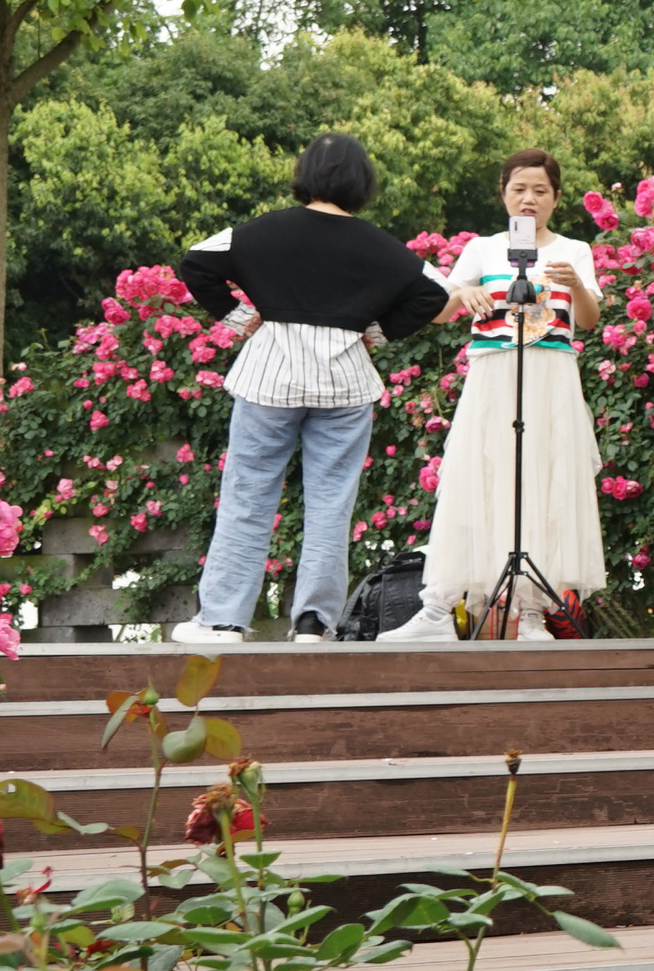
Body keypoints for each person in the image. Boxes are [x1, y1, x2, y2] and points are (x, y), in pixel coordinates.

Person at [171, 135, 467, 645]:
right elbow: (436, 292)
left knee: (248, 496)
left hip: (269, 375)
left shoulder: (263, 231)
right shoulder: (379, 244)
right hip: (345, 382)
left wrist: (240, 316)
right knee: (332, 504)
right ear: (362, 182)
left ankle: (222, 621)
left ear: (304, 173)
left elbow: (195, 262)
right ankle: (314, 623)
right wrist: (375, 332)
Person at [383, 150, 608, 641]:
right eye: (519, 190)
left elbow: (589, 320)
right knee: (476, 477)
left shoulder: (575, 250)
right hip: (493, 375)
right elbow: (439, 309)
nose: (529, 200)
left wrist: (577, 287)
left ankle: (529, 613)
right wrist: (465, 296)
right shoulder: (483, 249)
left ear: (556, 198)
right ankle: (439, 609)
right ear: (503, 194)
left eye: (540, 191)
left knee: (545, 483)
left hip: (551, 376)